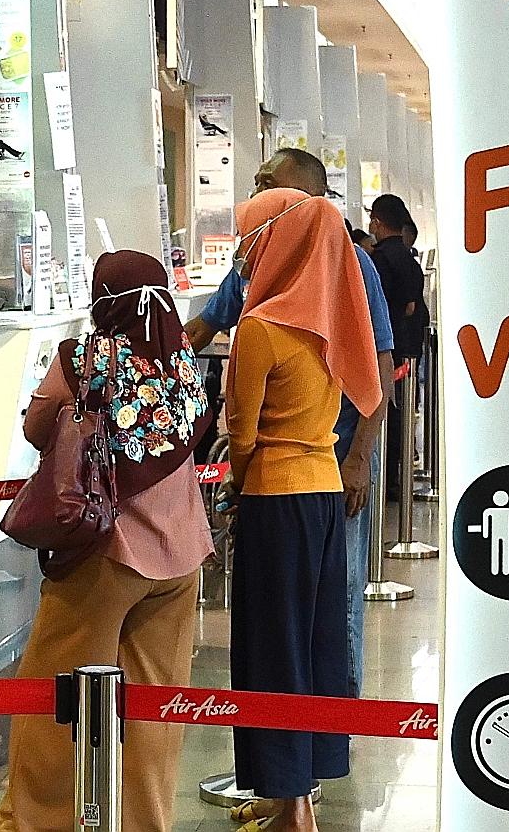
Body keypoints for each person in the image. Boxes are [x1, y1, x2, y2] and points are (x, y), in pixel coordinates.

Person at [0, 251, 213, 832]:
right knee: (154, 707)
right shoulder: (183, 358)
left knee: (54, 695)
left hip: (108, 552)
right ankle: (143, 821)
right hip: (183, 554)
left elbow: (38, 427)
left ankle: (33, 821)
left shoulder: (86, 358)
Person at [183, 148, 394, 703]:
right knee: (293, 615)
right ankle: (311, 737)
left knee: (334, 599)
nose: (256, 188)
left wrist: (359, 459)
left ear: (303, 197)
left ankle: (338, 714)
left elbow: (379, 368)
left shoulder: (353, 265)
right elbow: (203, 327)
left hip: (332, 460)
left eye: (268, 182)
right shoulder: (256, 263)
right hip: (287, 472)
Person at [225, 189, 383, 832]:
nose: (242, 254)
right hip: (323, 493)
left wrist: (236, 485)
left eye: (249, 238)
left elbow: (242, 430)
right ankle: (303, 790)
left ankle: (289, 803)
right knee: (316, 641)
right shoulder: (334, 320)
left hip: (273, 496)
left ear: (276, 243)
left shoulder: (260, 327)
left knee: (273, 647)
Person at [367, 195, 429, 501]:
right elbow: (412, 306)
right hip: (408, 350)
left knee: (386, 416)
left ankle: (386, 480)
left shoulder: (378, 261)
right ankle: (395, 477)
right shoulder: (409, 259)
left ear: (377, 222)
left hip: (385, 350)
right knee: (402, 414)